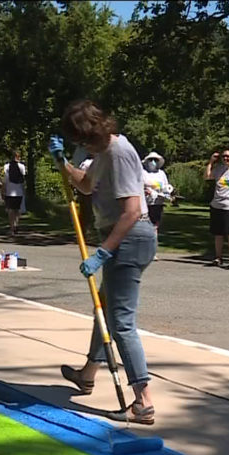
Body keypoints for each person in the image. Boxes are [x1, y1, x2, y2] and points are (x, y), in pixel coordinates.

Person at [50, 99, 157, 425]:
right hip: (122, 240)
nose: (81, 145)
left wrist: (104, 252)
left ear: (91, 131)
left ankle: (143, 401)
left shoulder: (120, 152)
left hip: (128, 240)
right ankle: (88, 373)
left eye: (81, 140)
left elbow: (133, 210)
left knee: (122, 323)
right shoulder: (104, 152)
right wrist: (62, 164)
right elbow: (84, 185)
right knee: (104, 307)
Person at [141, 151, 174, 260]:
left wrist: (167, 195)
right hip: (145, 204)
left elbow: (166, 187)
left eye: (155, 160)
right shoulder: (143, 173)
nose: (153, 162)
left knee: (154, 228)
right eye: (151, 160)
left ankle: (153, 251)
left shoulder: (161, 174)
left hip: (157, 204)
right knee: (144, 228)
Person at [2, 150, 27, 236]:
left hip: (9, 191)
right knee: (17, 210)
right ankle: (16, 224)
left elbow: (5, 180)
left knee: (10, 210)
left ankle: (12, 227)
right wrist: (24, 190)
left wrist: (3, 190)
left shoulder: (6, 167)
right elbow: (23, 180)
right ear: (18, 157)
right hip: (19, 191)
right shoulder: (22, 167)